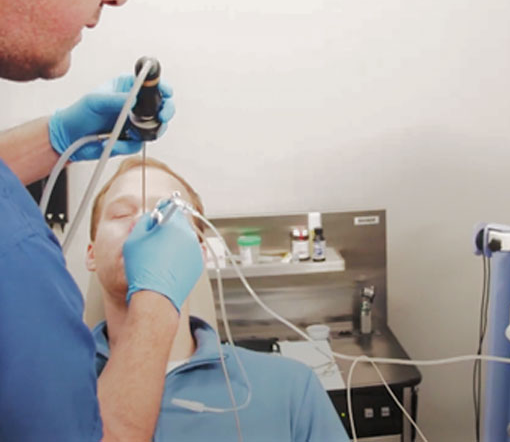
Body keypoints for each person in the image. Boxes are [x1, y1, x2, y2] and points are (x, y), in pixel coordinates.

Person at [0, 0, 203, 440]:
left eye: (167, 212)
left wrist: (60, 137)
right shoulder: (15, 258)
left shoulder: (287, 388)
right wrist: (156, 302)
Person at [86, 156, 351, 442]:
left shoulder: (291, 388)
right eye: (122, 214)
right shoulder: (47, 390)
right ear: (91, 254)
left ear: (199, 255)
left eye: (167, 211)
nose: (142, 224)